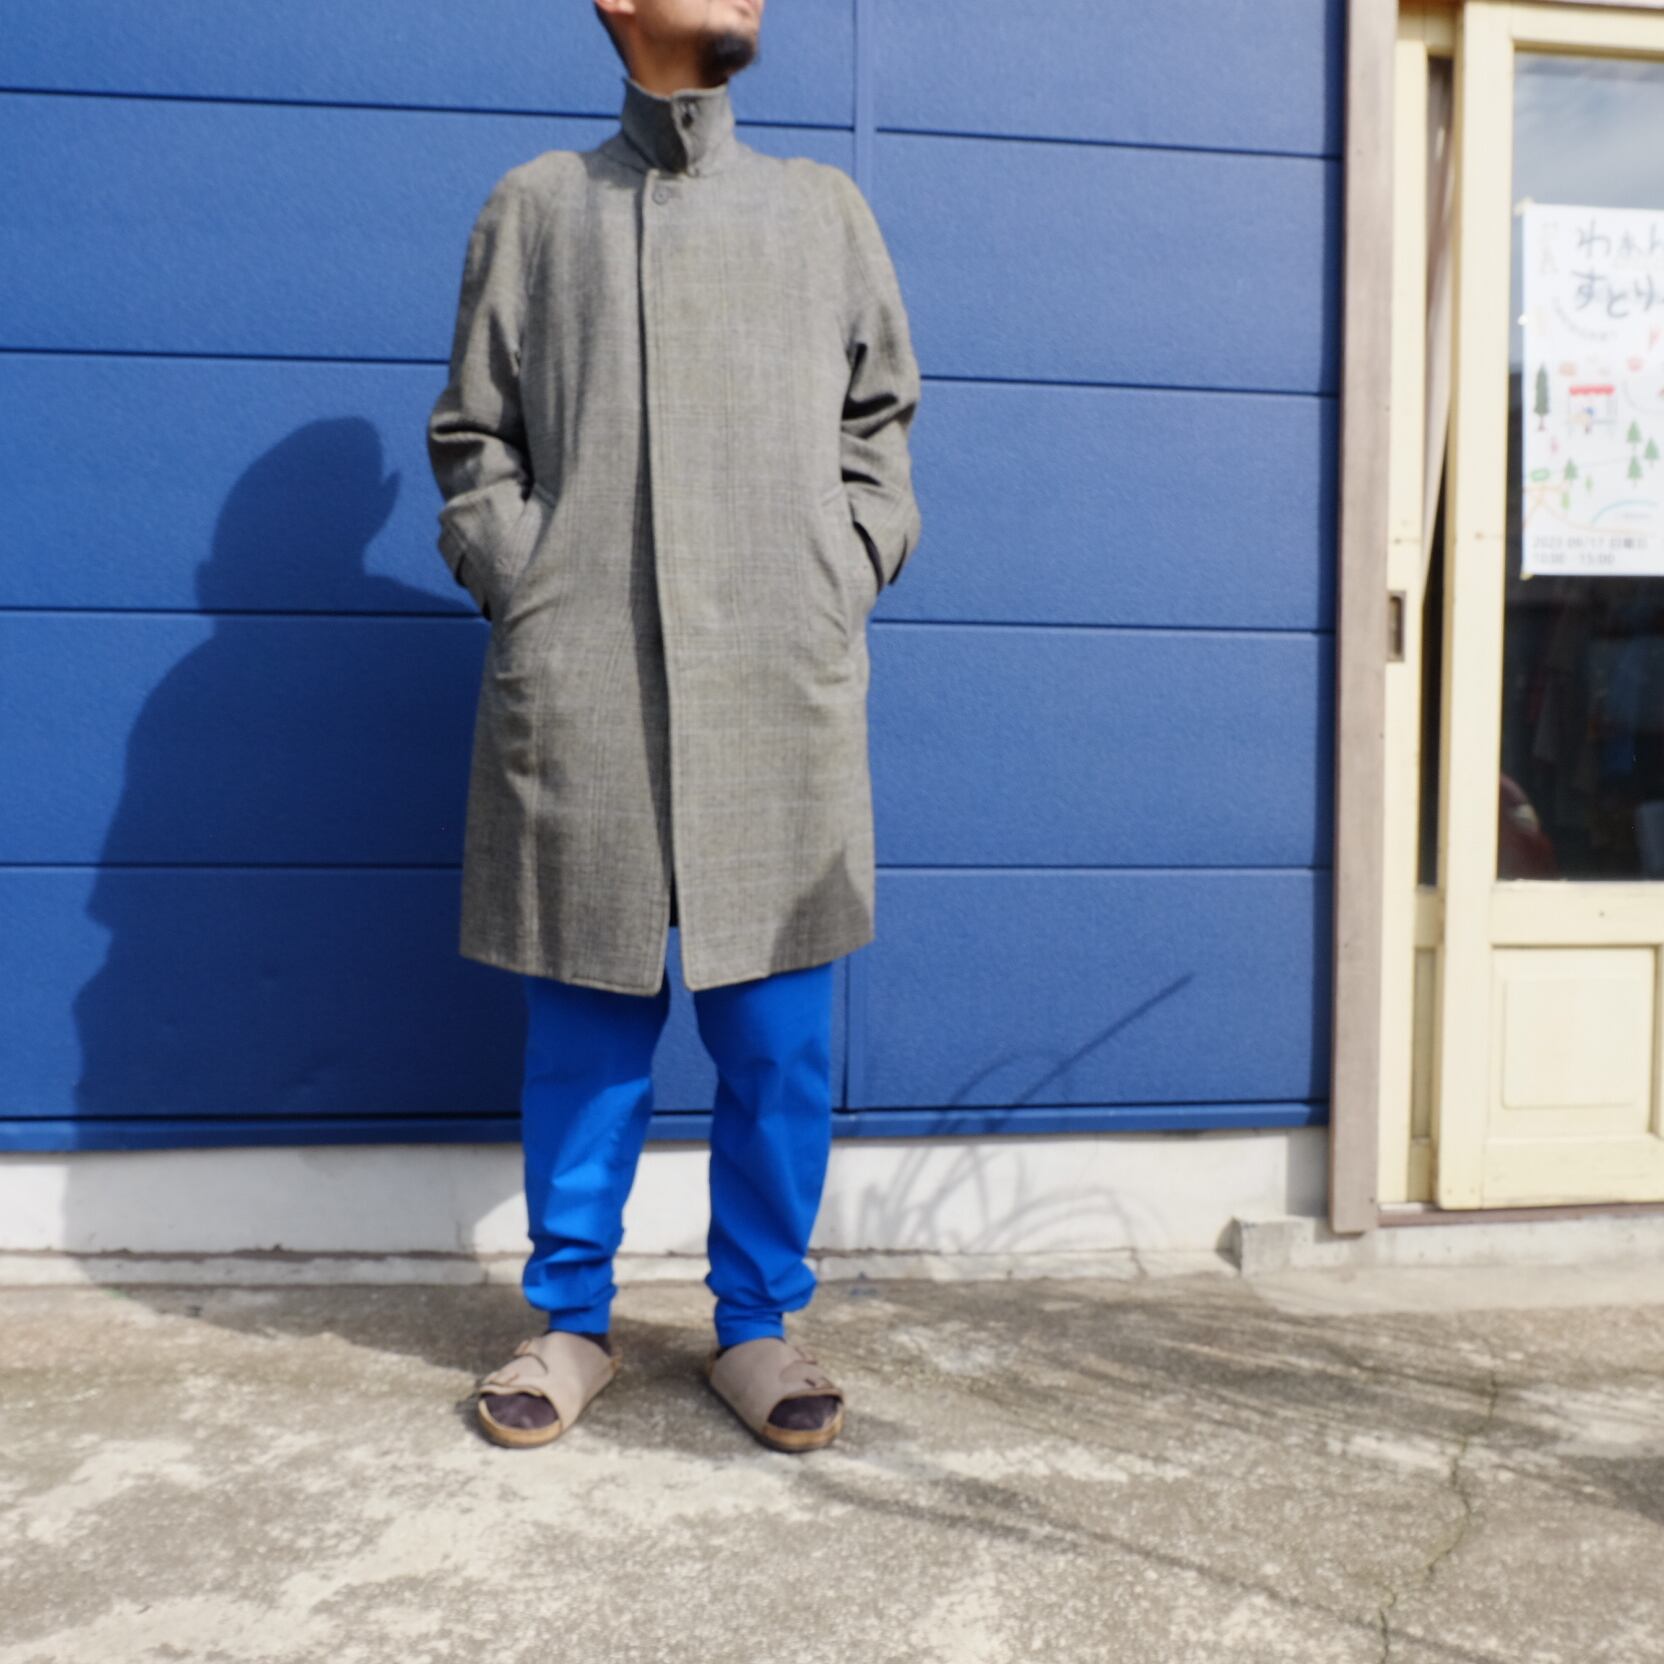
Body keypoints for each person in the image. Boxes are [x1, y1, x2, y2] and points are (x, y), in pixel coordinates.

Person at [426, 0, 922, 1453]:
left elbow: (880, 425)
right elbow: (474, 439)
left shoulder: (822, 210)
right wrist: (533, 586)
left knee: (779, 1041)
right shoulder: (539, 208)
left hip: (777, 674)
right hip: (587, 676)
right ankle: (569, 1322)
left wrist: (842, 566)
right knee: (585, 1029)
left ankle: (757, 1323)